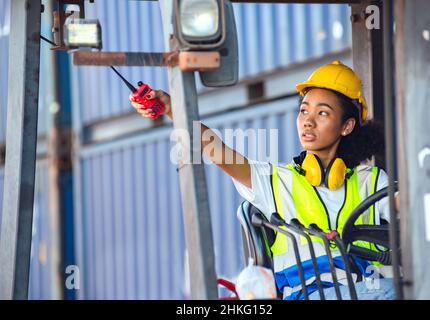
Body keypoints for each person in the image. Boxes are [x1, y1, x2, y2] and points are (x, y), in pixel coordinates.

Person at [129, 60, 399, 300]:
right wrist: (172, 108)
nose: (308, 121)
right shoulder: (275, 181)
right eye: (304, 111)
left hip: (366, 290)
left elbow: (409, 209)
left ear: (347, 126)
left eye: (323, 113)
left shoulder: (372, 182)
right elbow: (216, 149)